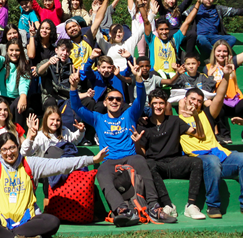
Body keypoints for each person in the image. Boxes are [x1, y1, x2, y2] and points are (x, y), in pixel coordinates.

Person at [68, 64, 177, 224]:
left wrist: (138, 80)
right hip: (109, 159)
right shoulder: (98, 118)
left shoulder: (129, 115)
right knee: (101, 173)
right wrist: (73, 86)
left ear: (122, 102)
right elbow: (77, 106)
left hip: (130, 156)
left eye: (118, 99)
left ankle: (153, 207)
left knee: (141, 162)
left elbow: (140, 100)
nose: (114, 101)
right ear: (104, 103)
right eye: (110, 99)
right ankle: (122, 210)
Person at [177, 70, 243, 218]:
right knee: (212, 161)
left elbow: (219, 96)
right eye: (192, 99)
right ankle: (213, 205)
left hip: (220, 157)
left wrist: (226, 76)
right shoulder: (176, 120)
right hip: (200, 160)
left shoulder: (207, 115)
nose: (195, 103)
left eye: (199, 100)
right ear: (185, 99)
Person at [135, 89, 206, 220]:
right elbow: (142, 153)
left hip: (175, 162)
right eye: (155, 103)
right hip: (156, 166)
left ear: (166, 104)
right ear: (150, 105)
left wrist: (195, 116)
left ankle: (191, 205)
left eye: (161, 103)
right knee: (148, 164)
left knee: (197, 162)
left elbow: (200, 135)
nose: (158, 106)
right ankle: (168, 205)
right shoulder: (143, 126)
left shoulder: (175, 121)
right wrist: (137, 143)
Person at [0, 29, 32, 128]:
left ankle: (18, 132)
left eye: (17, 50)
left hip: (14, 98)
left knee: (20, 102)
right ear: (7, 51)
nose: (14, 53)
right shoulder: (1, 61)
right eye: (11, 50)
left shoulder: (24, 66)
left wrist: (23, 96)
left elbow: (24, 83)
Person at [144, 0, 199, 80]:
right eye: (161, 29)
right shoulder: (152, 40)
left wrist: (198, 3)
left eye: (166, 29)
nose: (164, 32)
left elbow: (187, 22)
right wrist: (140, 4)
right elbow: (146, 22)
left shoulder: (174, 39)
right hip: (157, 77)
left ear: (169, 30)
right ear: (157, 31)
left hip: (173, 77)